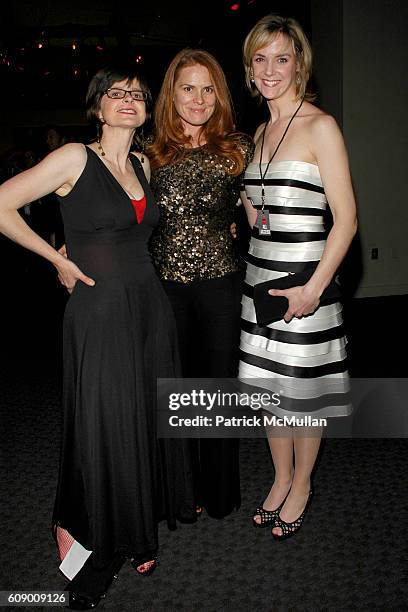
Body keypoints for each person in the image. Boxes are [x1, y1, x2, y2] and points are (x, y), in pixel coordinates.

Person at [0, 65, 196, 609]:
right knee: (102, 422)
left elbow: (139, 235)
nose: (129, 101)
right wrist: (53, 259)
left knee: (139, 415)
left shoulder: (143, 163)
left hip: (147, 309)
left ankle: (134, 524)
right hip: (98, 310)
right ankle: (93, 537)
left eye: (137, 95)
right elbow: (1, 205)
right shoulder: (73, 158)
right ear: (98, 107)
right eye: (117, 94)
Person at [238, 15, 357, 539]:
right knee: (271, 391)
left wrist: (312, 290)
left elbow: (347, 219)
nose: (270, 69)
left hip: (307, 281)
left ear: (299, 64)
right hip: (259, 283)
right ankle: (280, 476)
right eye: (260, 59)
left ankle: (303, 481)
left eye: (281, 58)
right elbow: (256, 207)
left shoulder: (320, 126)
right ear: (249, 67)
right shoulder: (259, 131)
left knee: (303, 394)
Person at [147, 49, 254, 519]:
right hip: (164, 287)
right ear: (171, 92)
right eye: (188, 87)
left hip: (220, 288)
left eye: (208, 89)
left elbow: (261, 213)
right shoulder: (148, 152)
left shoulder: (238, 149)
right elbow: (123, 213)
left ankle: (220, 492)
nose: (198, 99)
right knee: (176, 390)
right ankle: (179, 490)